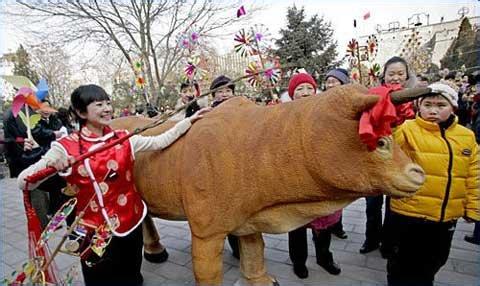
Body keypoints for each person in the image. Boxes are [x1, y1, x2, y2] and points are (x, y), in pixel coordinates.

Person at [18, 84, 211, 286]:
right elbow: (25, 182)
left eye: (108, 103)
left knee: (132, 275)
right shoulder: (65, 147)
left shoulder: (124, 138)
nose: (107, 109)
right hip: (93, 232)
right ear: (80, 111)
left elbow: (160, 141)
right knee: (100, 279)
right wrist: (54, 168)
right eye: (99, 104)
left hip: (131, 223)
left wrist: (189, 121)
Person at [385, 82, 479, 286]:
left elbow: (474, 175)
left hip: (446, 218)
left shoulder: (467, 136)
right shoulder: (407, 129)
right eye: (428, 104)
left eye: (440, 105)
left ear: (453, 107)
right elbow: (388, 137)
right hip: (409, 214)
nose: (433, 110)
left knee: (434, 262)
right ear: (419, 106)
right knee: (401, 265)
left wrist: (473, 208)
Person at [285, 71, 344, 278]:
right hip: (296, 181)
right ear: (292, 94)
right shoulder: (283, 116)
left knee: (325, 223)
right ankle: (298, 262)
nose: (305, 92)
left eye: (309, 88)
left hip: (322, 180)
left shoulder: (326, 112)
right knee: (297, 226)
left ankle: (324, 257)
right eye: (300, 89)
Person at [360, 56, 416, 255]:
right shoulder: (374, 96)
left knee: (395, 206)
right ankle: (371, 240)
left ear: (407, 75)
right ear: (383, 75)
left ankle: (389, 243)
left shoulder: (415, 100)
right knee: (372, 205)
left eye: (400, 73)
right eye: (391, 73)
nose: (396, 77)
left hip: (400, 158)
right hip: (376, 156)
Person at [208, 75, 240, 259]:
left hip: (238, 168)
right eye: (220, 91)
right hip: (217, 170)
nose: (225, 94)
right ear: (214, 95)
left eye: (228, 90)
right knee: (224, 212)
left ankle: (239, 247)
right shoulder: (208, 113)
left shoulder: (242, 110)